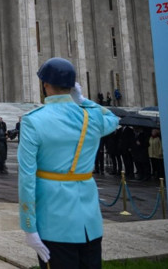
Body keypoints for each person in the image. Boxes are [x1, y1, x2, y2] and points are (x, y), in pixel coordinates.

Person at [19, 57, 119, 267]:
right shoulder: (90, 118)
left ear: (45, 85)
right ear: (72, 87)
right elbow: (113, 118)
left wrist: (29, 226)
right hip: (89, 223)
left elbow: (27, 178)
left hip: (54, 222)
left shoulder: (33, 120)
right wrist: (82, 100)